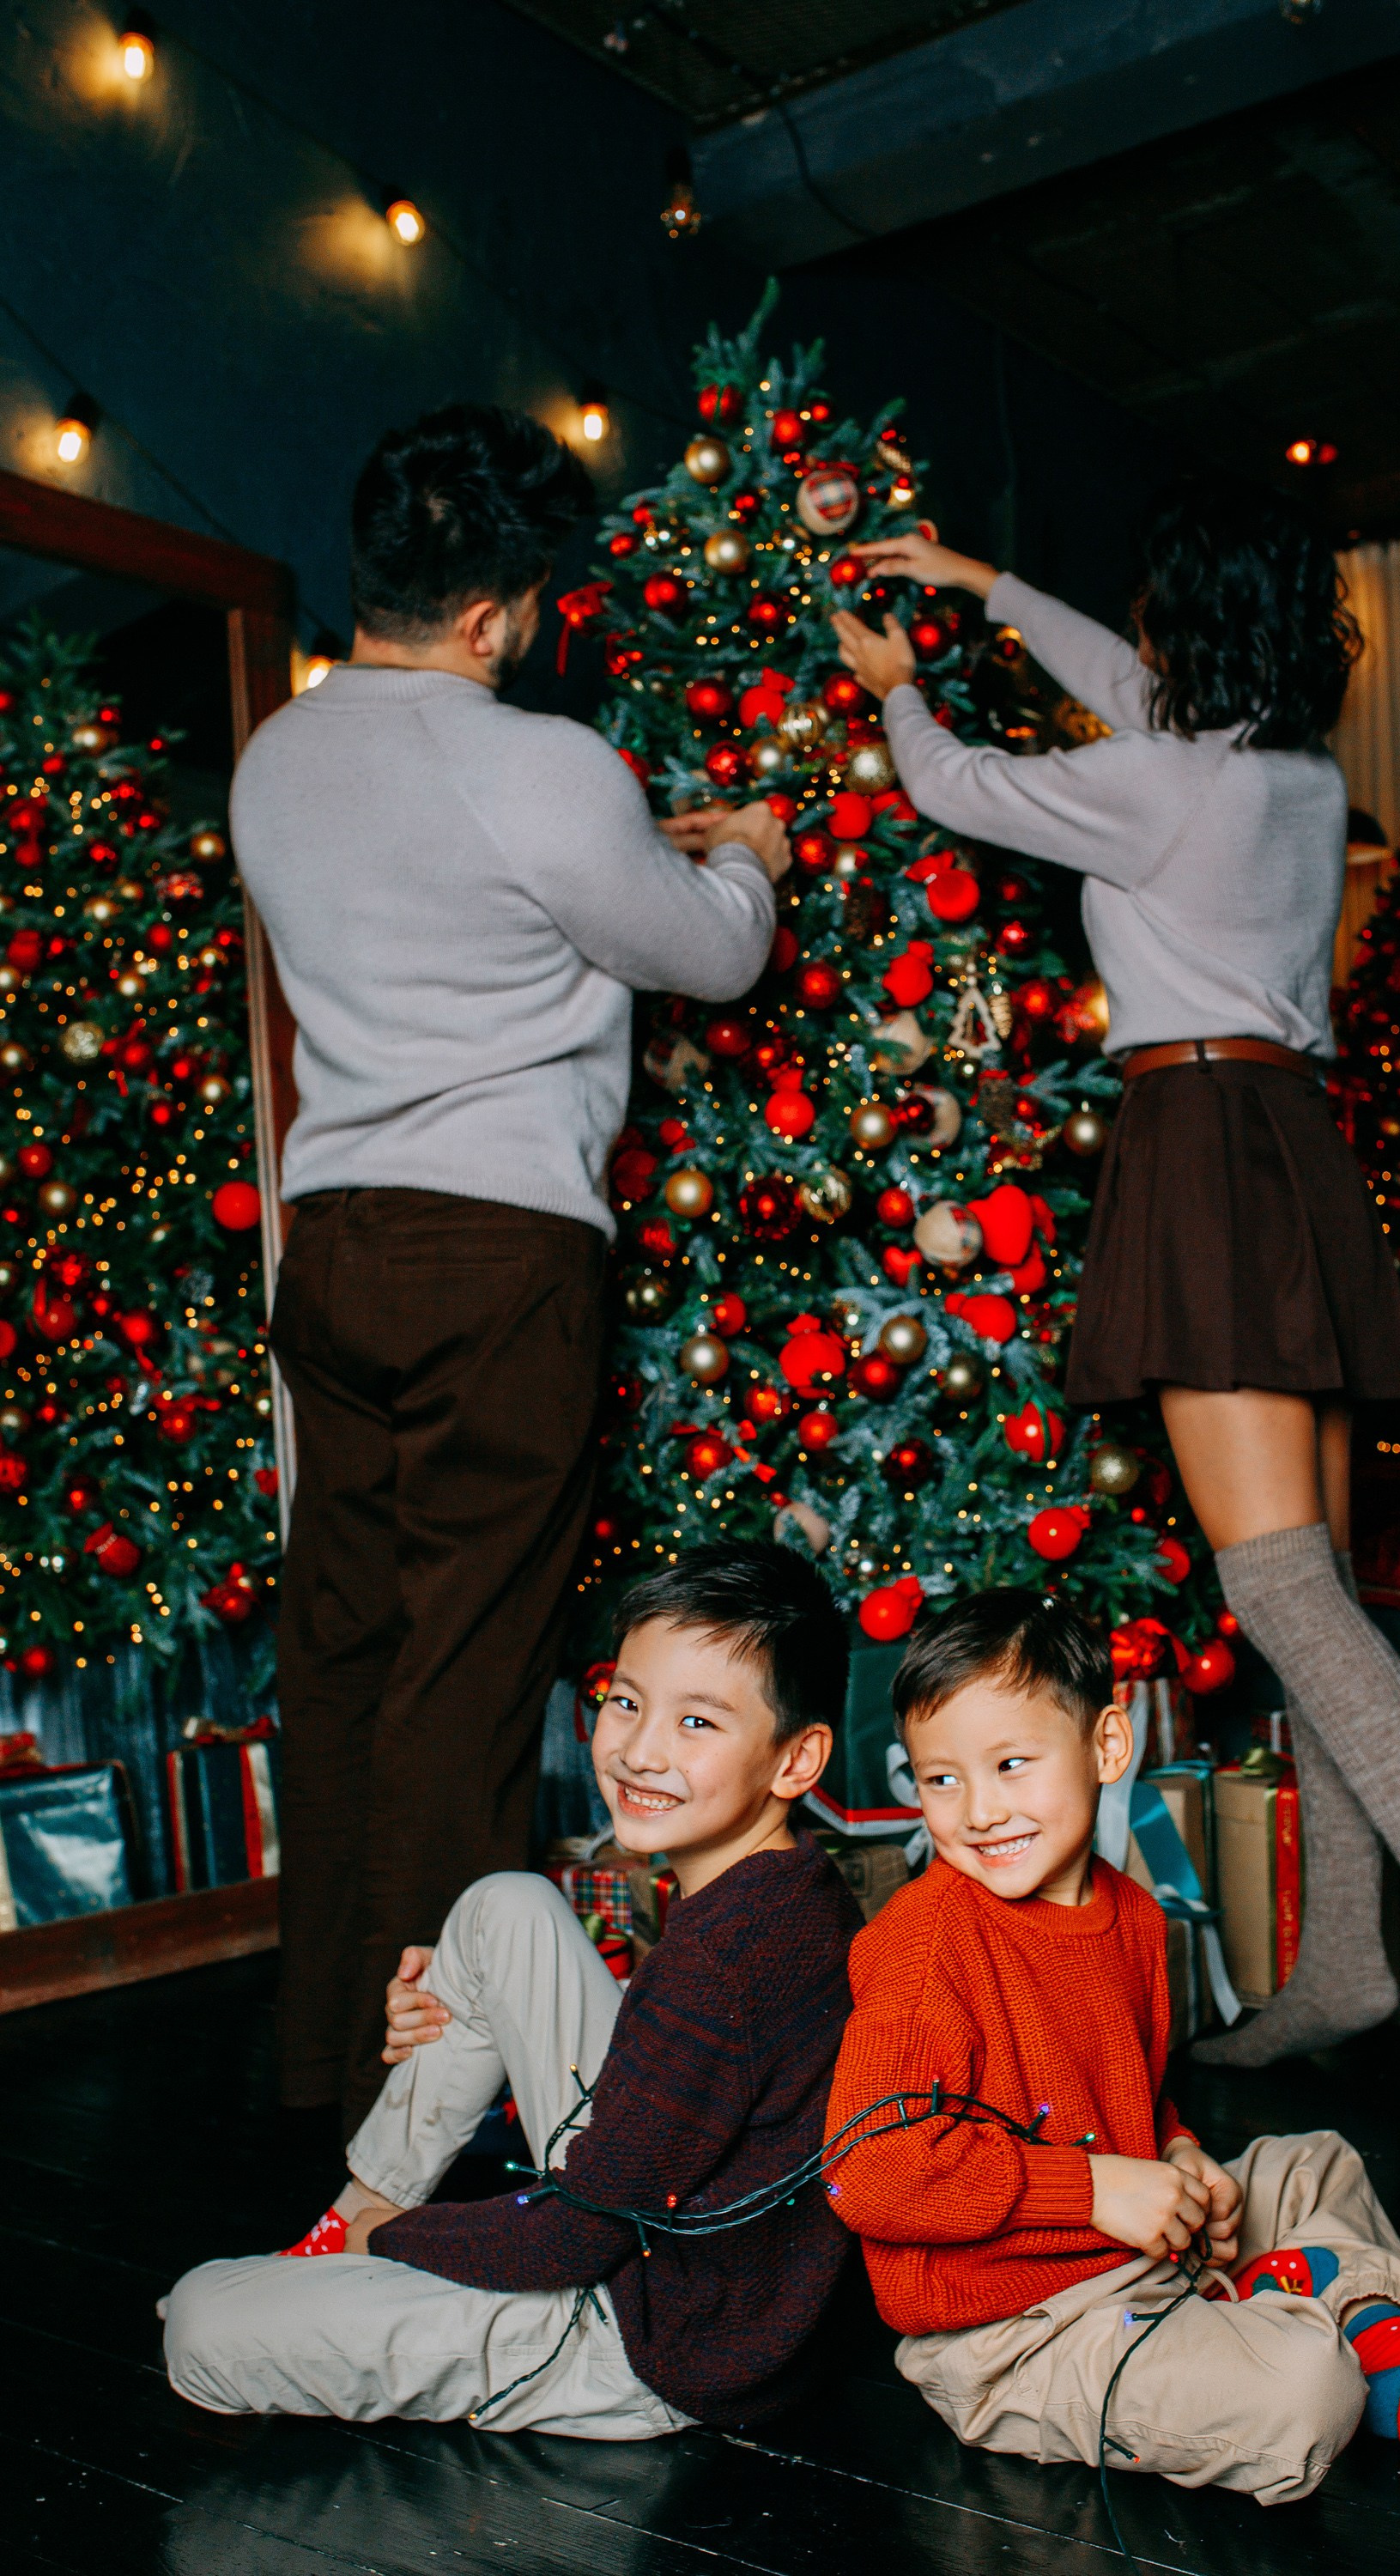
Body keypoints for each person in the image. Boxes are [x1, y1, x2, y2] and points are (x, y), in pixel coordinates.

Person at [830, 488, 1400, 2123]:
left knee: (1285, 1591)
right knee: (1327, 1594)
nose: (1136, 643)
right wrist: (980, 576)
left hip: (1203, 1146)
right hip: (1292, 1143)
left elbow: (957, 784)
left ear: (1188, 636)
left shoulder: (1158, 781)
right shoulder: (1295, 777)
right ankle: (1346, 1967)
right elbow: (1128, 689)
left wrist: (895, 676)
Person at [233, 404, 791, 2130]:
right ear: (491, 615)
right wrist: (750, 861)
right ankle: (429, 2107)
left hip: (332, 1244)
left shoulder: (275, 757)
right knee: (464, 1681)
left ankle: (323, 2058)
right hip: (501, 1253)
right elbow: (700, 956)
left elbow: (436, 910)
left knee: (338, 1656)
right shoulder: (545, 764)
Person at [823, 1591, 1400, 2504]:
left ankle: (1381, 2357)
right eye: (941, 1780)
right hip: (1012, 2332)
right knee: (1302, 2392)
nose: (978, 1811)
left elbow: (1126, 2100)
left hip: (1134, 2251)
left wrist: (1176, 2150)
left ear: (1105, 1747)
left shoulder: (1136, 1919)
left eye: (1011, 1765)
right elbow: (864, 2168)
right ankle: (1310, 2342)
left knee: (1319, 2166)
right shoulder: (925, 1945)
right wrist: (1097, 2186)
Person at [161, 1543, 863, 2439]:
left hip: (651, 2341)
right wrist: (471, 1998)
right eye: (626, 1702)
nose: (639, 1750)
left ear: (796, 1760)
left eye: (697, 1723)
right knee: (507, 1905)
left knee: (200, 2320)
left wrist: (392, 2237)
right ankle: (343, 2219)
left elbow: (572, 2240)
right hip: (689, 2263)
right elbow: (680, 2088)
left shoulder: (722, 1966)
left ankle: (357, 2233)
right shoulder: (795, 1886)